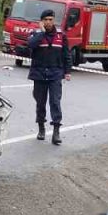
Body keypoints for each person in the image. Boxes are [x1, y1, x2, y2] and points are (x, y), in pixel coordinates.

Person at [25, 9, 71, 145]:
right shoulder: (36, 34)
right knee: (40, 103)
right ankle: (41, 128)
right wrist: (42, 33)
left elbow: (66, 55)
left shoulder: (61, 36)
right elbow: (31, 45)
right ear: (42, 21)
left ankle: (56, 132)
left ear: (54, 21)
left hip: (55, 74)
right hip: (39, 74)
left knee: (55, 102)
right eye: (46, 20)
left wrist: (67, 71)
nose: (48, 22)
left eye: (50, 19)